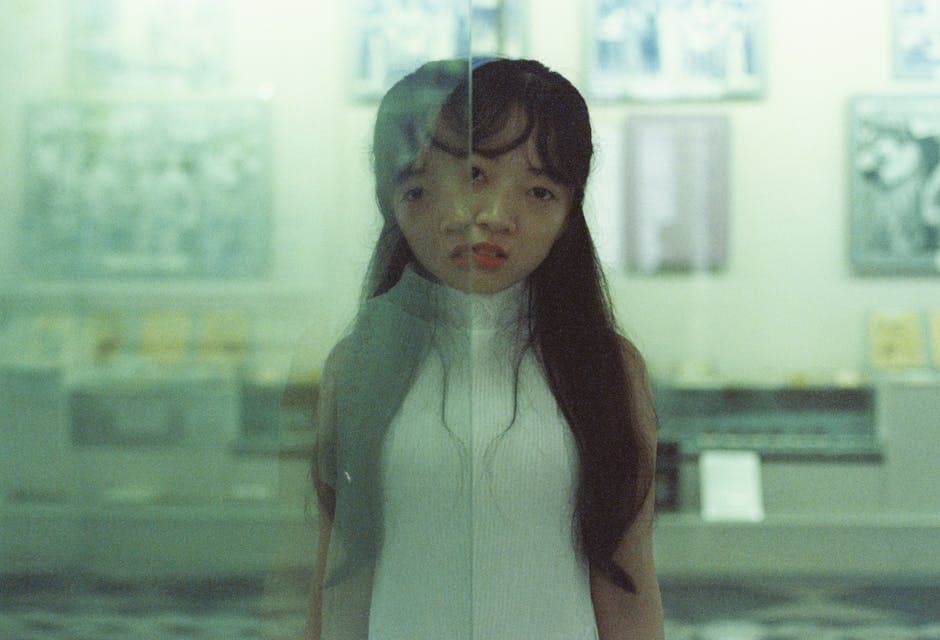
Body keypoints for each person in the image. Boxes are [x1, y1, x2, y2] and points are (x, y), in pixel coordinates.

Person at [303, 58, 663, 640]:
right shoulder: (357, 364)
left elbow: (628, 589)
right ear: (396, 199)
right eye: (461, 179)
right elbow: (340, 580)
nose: (493, 216)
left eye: (538, 190)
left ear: (571, 213)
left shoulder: (607, 369)